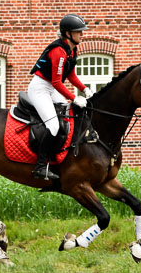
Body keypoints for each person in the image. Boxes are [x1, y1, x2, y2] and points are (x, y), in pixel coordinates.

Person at [27, 14, 93, 180]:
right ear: (68, 33)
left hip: (51, 87)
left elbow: (70, 75)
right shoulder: (58, 51)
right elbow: (57, 82)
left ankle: (61, 157)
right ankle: (40, 167)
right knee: (54, 125)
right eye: (79, 31)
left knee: (68, 117)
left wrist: (84, 89)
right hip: (40, 88)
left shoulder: (73, 49)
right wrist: (74, 97)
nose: (82, 34)